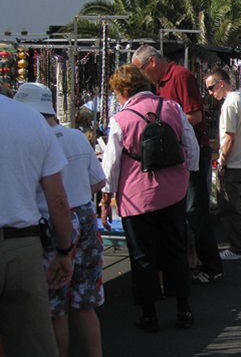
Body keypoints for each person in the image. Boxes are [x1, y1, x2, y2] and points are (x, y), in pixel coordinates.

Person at [101, 64, 199, 332]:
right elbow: (191, 146)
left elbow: (111, 166)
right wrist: (184, 176)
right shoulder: (172, 108)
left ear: (122, 91)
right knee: (175, 249)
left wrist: (106, 198)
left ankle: (150, 314)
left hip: (137, 197)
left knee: (143, 256)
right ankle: (183, 309)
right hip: (173, 192)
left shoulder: (121, 119)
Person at [14, 83, 105, 357]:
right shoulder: (76, 136)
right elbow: (99, 180)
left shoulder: (34, 140)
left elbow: (48, 197)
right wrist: (76, 193)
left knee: (56, 308)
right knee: (84, 304)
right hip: (86, 218)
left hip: (52, 224)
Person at [133, 45, 223, 284]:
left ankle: (211, 265)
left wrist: (163, 128)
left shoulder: (180, 76)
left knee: (195, 209)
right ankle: (193, 261)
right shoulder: (160, 84)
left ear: (152, 62)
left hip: (190, 151)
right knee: (181, 210)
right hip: (176, 153)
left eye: (141, 69)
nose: (141, 75)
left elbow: (195, 116)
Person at [0, 95, 73, 357]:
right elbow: (57, 199)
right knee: (32, 345)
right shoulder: (31, 119)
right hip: (21, 247)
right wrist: (64, 250)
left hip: (23, 241)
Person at [204, 67, 241, 261]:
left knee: (229, 207)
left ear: (221, 83)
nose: (210, 92)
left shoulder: (229, 104)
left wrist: (222, 162)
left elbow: (229, 137)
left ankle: (239, 247)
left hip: (233, 163)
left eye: (211, 87)